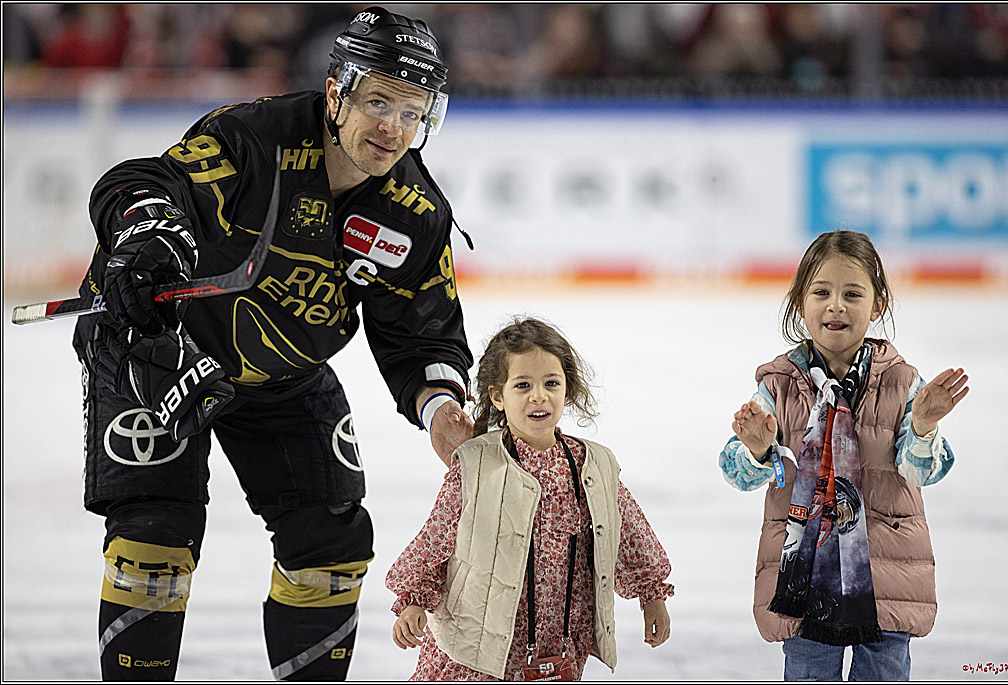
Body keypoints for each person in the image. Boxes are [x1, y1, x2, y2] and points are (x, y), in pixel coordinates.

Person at [70, 7, 475, 681]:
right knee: (154, 539)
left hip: (285, 371)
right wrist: (146, 234)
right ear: (336, 88)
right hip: (160, 343)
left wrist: (441, 406)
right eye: (378, 101)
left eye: (413, 111)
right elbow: (139, 182)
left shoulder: (414, 212)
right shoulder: (252, 140)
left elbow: (421, 330)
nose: (393, 129)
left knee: (332, 542)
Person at [718, 230, 969, 681]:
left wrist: (924, 425)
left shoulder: (902, 382)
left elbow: (921, 470)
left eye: (852, 294)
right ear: (799, 302)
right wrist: (758, 449)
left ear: (876, 306)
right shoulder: (777, 385)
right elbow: (738, 471)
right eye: (821, 292)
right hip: (805, 577)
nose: (836, 305)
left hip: (885, 577)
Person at [386, 317, 674, 681]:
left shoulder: (594, 466)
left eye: (551, 383)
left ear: (567, 391)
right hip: (475, 651)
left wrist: (652, 595)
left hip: (558, 650)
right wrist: (414, 601)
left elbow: (629, 535)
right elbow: (437, 540)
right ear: (497, 396)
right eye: (523, 385)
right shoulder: (476, 465)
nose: (539, 396)